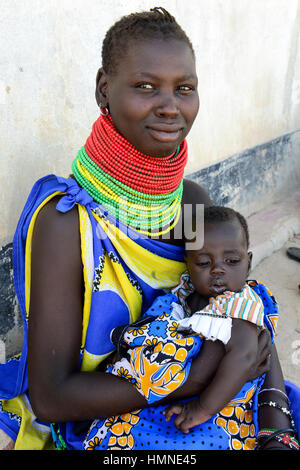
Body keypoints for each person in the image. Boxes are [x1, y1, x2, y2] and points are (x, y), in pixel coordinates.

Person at [0, 7, 298, 451]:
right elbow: (52, 398)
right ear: (104, 89)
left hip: (207, 397)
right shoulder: (67, 222)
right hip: (108, 418)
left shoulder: (192, 203)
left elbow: (238, 306)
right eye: (145, 86)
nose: (170, 106)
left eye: (184, 89)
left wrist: (278, 426)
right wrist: (189, 380)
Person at [83, 206, 300, 450]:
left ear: (248, 262)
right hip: (178, 393)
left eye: (232, 261)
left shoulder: (238, 304)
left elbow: (245, 356)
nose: (218, 269)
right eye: (204, 262)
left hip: (219, 403)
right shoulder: (186, 295)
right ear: (188, 264)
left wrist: (202, 408)